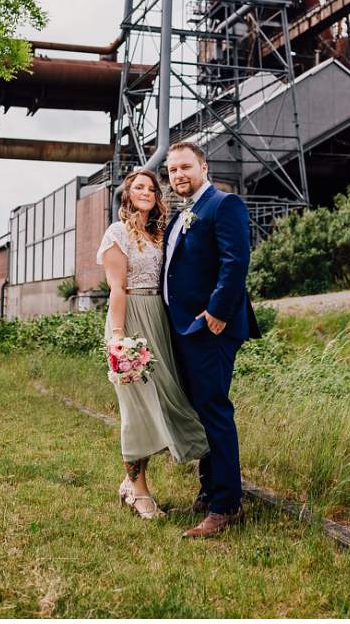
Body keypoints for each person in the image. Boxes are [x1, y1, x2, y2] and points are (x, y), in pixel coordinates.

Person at [162, 140, 261, 539]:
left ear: (203, 166)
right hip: (186, 329)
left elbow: (235, 261)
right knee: (202, 412)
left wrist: (218, 312)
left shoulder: (224, 204)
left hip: (211, 327)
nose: (179, 175)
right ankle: (210, 488)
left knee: (215, 412)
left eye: (185, 167)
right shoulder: (186, 211)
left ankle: (226, 506)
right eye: (172, 171)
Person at [98, 168, 210, 520]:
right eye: (139, 187)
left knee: (162, 401)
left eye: (151, 188)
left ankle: (128, 482)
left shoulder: (160, 232)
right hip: (130, 320)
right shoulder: (117, 232)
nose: (146, 192)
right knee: (136, 409)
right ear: (127, 195)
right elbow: (117, 288)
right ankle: (139, 492)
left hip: (158, 320)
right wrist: (118, 338)